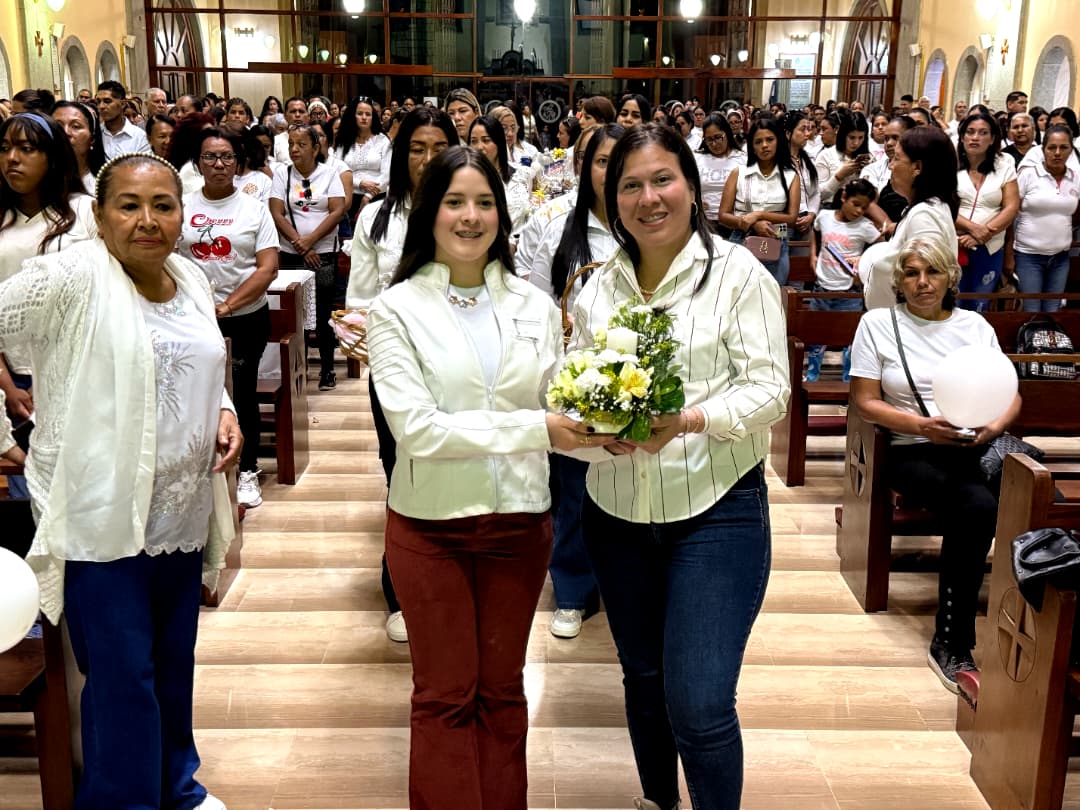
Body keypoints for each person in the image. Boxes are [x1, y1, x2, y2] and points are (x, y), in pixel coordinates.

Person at [366, 145, 605, 810]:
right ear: (429, 214)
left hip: (520, 525)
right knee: (444, 694)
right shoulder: (397, 310)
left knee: (503, 690)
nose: (471, 216)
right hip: (430, 529)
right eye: (454, 202)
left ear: (503, 213)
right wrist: (540, 430)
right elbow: (419, 431)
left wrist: (615, 415)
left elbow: (561, 404)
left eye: (485, 202)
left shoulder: (533, 305)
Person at [0, 151, 240, 809]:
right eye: (129, 206)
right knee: (121, 676)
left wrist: (225, 411)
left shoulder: (188, 278)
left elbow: (206, 359)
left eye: (162, 205)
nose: (147, 220)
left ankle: (178, 788)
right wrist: (3, 436)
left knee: (171, 663)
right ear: (100, 216)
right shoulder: (70, 277)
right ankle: (124, 801)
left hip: (179, 512)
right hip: (101, 515)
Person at [568, 122, 789, 810]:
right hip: (617, 513)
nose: (648, 198)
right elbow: (574, 384)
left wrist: (690, 418)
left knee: (698, 700)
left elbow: (771, 389)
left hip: (716, 510)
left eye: (663, 179)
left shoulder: (737, 275)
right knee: (642, 676)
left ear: (692, 188)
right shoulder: (596, 289)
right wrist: (587, 424)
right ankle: (658, 801)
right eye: (629, 185)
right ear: (609, 202)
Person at [850, 236, 1019, 692]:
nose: (923, 282)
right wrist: (922, 427)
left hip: (976, 442)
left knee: (1043, 501)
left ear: (951, 278)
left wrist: (991, 428)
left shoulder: (975, 327)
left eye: (933, 272)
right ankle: (951, 640)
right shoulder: (877, 324)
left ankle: (1052, 633)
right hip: (912, 447)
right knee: (976, 507)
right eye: (912, 273)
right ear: (899, 282)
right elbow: (865, 401)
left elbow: (1010, 392)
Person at [345, 107, 458, 643]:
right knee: (401, 472)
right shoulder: (376, 217)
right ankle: (402, 589)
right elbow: (360, 302)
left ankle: (454, 579)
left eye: (439, 147)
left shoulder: (467, 210)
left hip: (460, 367)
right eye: (417, 147)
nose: (429, 158)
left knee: (456, 469)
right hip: (395, 368)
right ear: (400, 154)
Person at [527, 123, 623, 639]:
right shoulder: (556, 221)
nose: (609, 172)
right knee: (573, 488)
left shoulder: (646, 221)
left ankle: (623, 584)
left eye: (618, 160)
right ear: (584, 169)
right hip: (574, 376)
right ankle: (571, 590)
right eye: (600, 161)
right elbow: (538, 300)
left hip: (634, 374)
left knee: (631, 475)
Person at [0, 112, 99, 501]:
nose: (12, 159)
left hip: (81, 372)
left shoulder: (86, 213)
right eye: (5, 148)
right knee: (35, 496)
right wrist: (7, 384)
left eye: (27, 149)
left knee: (87, 492)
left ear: (53, 156)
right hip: (17, 381)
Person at [179, 127, 279, 508]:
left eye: (226, 158)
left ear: (238, 164)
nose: (218, 164)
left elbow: (266, 267)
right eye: (210, 157)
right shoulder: (183, 205)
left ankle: (248, 469)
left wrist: (228, 306)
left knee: (241, 394)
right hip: (191, 317)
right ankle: (197, 469)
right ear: (198, 163)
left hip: (244, 316)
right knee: (193, 395)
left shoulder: (253, 209)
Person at [269, 123, 346, 391]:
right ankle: (296, 371)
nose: (294, 149)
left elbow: (337, 210)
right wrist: (300, 244)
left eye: (301, 144)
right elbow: (276, 212)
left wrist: (311, 241)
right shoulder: (282, 173)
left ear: (315, 148)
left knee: (323, 313)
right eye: (291, 144)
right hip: (291, 253)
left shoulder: (329, 174)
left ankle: (327, 370)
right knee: (296, 315)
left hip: (323, 253)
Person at [863, 126, 959, 309]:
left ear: (917, 167)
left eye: (897, 159)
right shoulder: (922, 209)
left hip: (910, 326)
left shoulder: (925, 216)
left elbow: (928, 285)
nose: (891, 165)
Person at [805, 178, 881, 381]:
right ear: (844, 197)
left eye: (864, 208)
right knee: (817, 333)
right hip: (821, 287)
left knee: (850, 336)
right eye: (856, 205)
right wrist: (813, 254)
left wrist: (863, 270)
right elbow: (816, 231)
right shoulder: (824, 217)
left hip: (848, 291)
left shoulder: (865, 227)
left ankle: (849, 379)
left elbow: (881, 249)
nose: (859, 211)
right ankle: (812, 375)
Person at [718, 117, 801, 283]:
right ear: (752, 147)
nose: (764, 145)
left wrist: (758, 215)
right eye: (758, 142)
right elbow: (723, 215)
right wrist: (751, 224)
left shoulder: (791, 176)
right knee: (740, 295)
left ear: (778, 141)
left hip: (778, 235)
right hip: (741, 235)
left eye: (770, 140)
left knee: (772, 295)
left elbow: (792, 219)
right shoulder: (739, 173)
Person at [1007, 124, 1080, 313]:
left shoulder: (1076, 177)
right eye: (1051, 147)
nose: (1057, 153)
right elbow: (1010, 213)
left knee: (1052, 310)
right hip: (1028, 256)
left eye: (1063, 148)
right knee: (1031, 309)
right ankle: (1030, 343)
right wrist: (1009, 254)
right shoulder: (1028, 174)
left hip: (1060, 257)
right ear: (1043, 149)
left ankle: (1049, 343)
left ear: (1071, 150)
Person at [954, 112, 1018, 311]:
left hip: (990, 246)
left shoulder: (1003, 166)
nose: (975, 137)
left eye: (983, 133)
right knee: (952, 303)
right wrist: (974, 229)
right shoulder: (949, 165)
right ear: (962, 136)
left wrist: (985, 233)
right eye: (970, 132)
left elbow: (1011, 206)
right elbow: (942, 206)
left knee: (979, 304)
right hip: (954, 244)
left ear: (992, 139)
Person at [468, 115, 531, 236]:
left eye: (486, 140)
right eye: (473, 141)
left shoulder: (518, 174)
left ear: (499, 142)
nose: (479, 147)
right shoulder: (466, 180)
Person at [334, 96, 392, 220]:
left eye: (368, 114)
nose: (364, 117)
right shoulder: (343, 140)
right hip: (348, 196)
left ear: (373, 117)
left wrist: (368, 196)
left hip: (377, 197)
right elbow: (337, 169)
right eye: (360, 113)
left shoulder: (382, 140)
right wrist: (360, 183)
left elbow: (387, 174)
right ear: (353, 116)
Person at [695, 113, 746, 225]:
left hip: (733, 221)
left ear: (727, 133)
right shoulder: (697, 158)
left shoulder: (741, 159)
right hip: (703, 220)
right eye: (709, 140)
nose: (714, 144)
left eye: (718, 138)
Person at [816, 111, 871, 206]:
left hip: (861, 209)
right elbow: (819, 194)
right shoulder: (826, 155)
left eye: (860, 138)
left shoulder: (869, 158)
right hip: (830, 208)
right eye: (852, 137)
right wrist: (839, 176)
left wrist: (866, 172)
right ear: (843, 135)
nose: (856, 143)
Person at [52, 100, 107, 193]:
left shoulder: (104, 186)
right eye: (58, 126)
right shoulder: (36, 184)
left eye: (75, 126)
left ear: (92, 138)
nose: (66, 132)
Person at [784, 110, 821, 243]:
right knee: (781, 254)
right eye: (802, 129)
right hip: (783, 223)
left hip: (805, 221)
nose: (807, 134)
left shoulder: (808, 158)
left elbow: (815, 192)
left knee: (802, 261)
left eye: (809, 129)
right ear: (788, 133)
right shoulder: (777, 161)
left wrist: (811, 214)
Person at [96, 80, 152, 158]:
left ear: (122, 104)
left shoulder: (139, 136)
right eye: (98, 102)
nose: (101, 106)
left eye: (107, 101)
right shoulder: (94, 135)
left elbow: (145, 166)